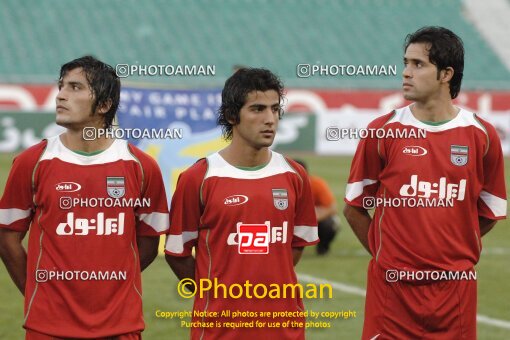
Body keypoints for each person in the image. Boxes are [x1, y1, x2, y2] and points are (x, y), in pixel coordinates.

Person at [343, 26, 506, 339]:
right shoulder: (382, 131)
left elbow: (487, 212)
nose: (406, 72)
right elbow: (355, 209)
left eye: (418, 65)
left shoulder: (481, 136)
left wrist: (452, 250)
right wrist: (388, 257)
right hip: (391, 293)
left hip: (455, 293)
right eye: (406, 63)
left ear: (446, 74)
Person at [0, 56, 169, 339]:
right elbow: (6, 238)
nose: (61, 95)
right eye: (62, 86)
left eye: (75, 88)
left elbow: (149, 241)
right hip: (47, 328)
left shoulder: (141, 166)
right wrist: (36, 291)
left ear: (103, 105)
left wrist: (111, 285)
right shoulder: (32, 162)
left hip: (120, 328)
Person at [165, 68, 318, 339]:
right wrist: (214, 296)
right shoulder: (198, 177)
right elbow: (177, 253)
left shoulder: (294, 175)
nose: (270, 119)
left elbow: (294, 247)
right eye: (257, 109)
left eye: (274, 109)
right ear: (231, 115)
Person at [294, 159, 339, 255]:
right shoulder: (283, 186)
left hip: (314, 218)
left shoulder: (317, 184)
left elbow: (332, 208)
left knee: (329, 223)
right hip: (292, 219)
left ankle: (323, 247)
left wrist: (312, 218)